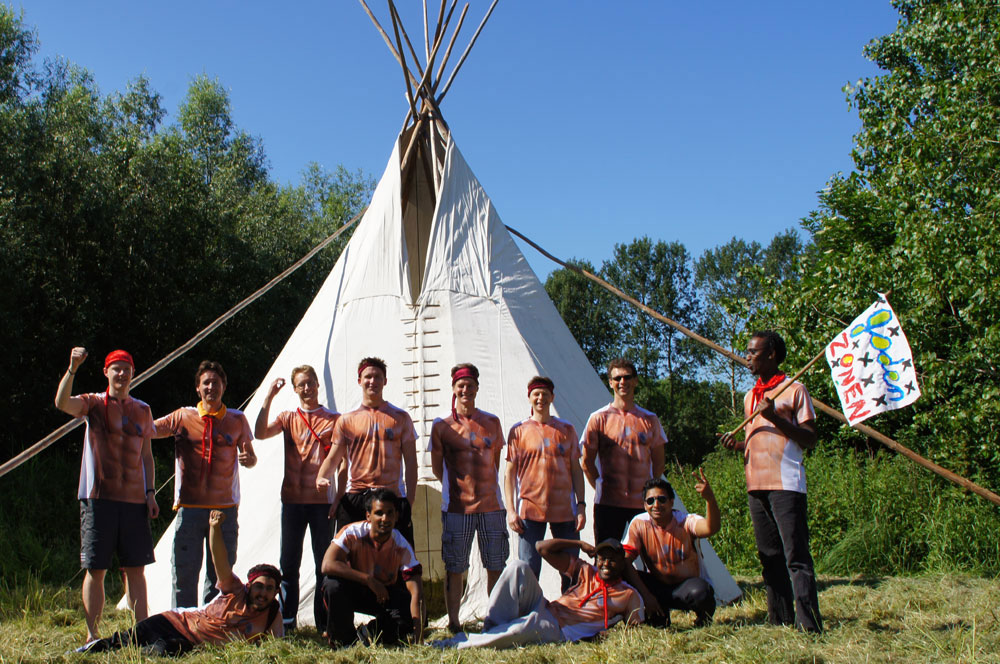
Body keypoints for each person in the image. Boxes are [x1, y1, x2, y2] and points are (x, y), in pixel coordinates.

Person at [719, 330, 823, 632]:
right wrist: (737, 446)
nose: (747, 357)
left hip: (786, 483)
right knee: (770, 556)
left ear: (771, 355)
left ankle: (810, 625)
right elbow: (758, 440)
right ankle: (780, 620)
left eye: (753, 352)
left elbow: (810, 439)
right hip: (756, 483)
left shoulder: (794, 389)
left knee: (796, 557)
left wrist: (776, 417)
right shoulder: (750, 396)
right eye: (747, 351)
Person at [55, 347, 158, 641]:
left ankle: (143, 632)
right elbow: (62, 403)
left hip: (134, 499)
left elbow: (147, 456)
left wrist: (150, 492)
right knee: (96, 568)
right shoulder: (94, 404)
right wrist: (73, 368)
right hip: (98, 498)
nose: (122, 374)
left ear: (133, 373)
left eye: (127, 368)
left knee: (136, 568)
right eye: (117, 368)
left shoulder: (143, 409)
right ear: (106, 372)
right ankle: (93, 635)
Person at [76, 510, 282, 655]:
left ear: (275, 593)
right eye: (259, 587)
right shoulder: (235, 590)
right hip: (176, 622)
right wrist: (214, 528)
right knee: (126, 639)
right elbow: (219, 558)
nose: (262, 593)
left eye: (269, 589)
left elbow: (274, 644)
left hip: (191, 642)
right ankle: (85, 650)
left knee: (161, 651)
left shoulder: (271, 614)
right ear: (249, 586)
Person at [153, 360, 257, 608]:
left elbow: (251, 457)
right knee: (184, 572)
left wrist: (249, 458)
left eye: (216, 382)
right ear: (198, 389)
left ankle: (211, 624)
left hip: (224, 510)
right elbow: (148, 430)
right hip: (189, 508)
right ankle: (182, 624)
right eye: (206, 383)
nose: (212, 387)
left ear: (224, 386)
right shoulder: (182, 416)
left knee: (220, 574)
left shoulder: (237, 419)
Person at [254, 364, 343, 631]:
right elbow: (259, 433)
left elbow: (342, 461)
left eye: (310, 383)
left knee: (323, 564)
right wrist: (268, 397)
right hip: (292, 500)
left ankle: (323, 622)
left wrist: (338, 496)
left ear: (318, 385)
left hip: (321, 503)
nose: (307, 388)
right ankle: (288, 621)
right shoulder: (287, 417)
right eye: (301, 384)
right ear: (295, 389)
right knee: (288, 564)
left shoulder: (334, 419)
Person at [436, 538, 644, 649]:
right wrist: (578, 544)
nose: (606, 563)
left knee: (526, 627)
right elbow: (541, 548)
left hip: (561, 629)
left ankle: (454, 645)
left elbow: (635, 631)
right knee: (518, 566)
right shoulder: (586, 570)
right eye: (602, 557)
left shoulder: (627, 594)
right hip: (547, 606)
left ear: (622, 562)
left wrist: (607, 633)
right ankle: (491, 630)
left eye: (612, 559)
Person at [428, 363, 508, 632]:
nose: (465, 390)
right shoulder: (442, 426)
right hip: (457, 508)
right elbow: (437, 466)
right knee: (455, 566)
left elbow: (494, 462)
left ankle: (494, 617)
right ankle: (454, 621)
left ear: (477, 388)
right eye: (461, 385)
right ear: (454, 389)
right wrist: (456, 489)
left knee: (495, 563)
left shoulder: (492, 422)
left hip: (491, 506)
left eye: (470, 385)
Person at [316, 357, 418, 545]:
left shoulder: (401, 418)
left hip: (391, 496)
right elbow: (333, 458)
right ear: (359, 381)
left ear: (385, 381)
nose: (373, 381)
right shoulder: (347, 420)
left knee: (398, 559)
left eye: (378, 377)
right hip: (357, 495)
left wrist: (409, 501)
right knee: (349, 556)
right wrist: (321, 477)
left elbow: (411, 462)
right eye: (368, 377)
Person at [504, 376, 586, 584]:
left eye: (545, 394)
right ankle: (530, 611)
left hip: (565, 510)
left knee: (569, 566)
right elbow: (510, 474)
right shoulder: (519, 431)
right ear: (529, 397)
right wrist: (511, 511)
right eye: (536, 394)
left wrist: (581, 505)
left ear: (552, 397)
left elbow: (576, 470)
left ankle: (569, 610)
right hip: (530, 510)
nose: (541, 398)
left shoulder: (566, 430)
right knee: (529, 566)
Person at [321, 488, 423, 648]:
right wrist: (368, 580)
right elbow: (327, 564)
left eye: (390, 513)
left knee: (410, 615)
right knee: (332, 585)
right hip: (354, 589)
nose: (385, 518)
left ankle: (370, 632)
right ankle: (344, 641)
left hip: (383, 595)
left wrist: (418, 639)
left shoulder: (401, 545)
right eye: (379, 513)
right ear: (368, 516)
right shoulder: (351, 533)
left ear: (396, 516)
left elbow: (416, 591)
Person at [581, 357, 667, 543]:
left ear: (635, 381)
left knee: (650, 557)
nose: (622, 382)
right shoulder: (598, 418)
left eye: (627, 377)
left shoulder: (649, 420)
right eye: (617, 378)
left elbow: (659, 462)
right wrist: (600, 486)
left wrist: (650, 490)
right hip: (608, 503)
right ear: (610, 382)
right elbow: (586, 462)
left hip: (643, 503)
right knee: (607, 557)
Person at [621, 472, 720, 627]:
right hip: (658, 588)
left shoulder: (686, 521)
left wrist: (710, 500)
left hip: (686, 587)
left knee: (701, 594)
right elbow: (625, 561)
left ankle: (703, 618)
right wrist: (647, 597)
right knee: (619, 572)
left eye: (662, 499)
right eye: (650, 501)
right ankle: (652, 616)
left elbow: (710, 528)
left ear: (672, 502)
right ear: (645, 505)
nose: (656, 505)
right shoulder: (639, 523)